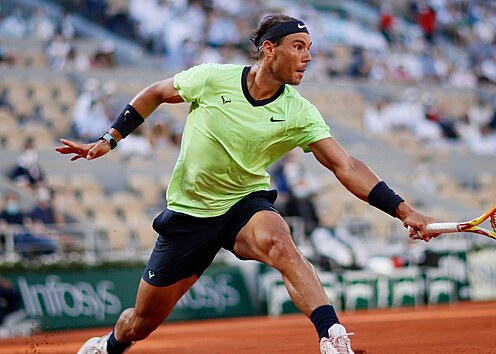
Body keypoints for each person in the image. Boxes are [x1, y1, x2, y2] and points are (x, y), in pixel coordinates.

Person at [56, 14, 438, 354]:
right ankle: (108, 346)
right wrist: (109, 138)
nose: (308, 56)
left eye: (310, 48)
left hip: (243, 203)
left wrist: (403, 210)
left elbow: (346, 165)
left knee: (281, 242)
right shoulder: (211, 78)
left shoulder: (298, 111)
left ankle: (334, 337)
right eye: (299, 47)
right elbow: (155, 93)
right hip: (189, 216)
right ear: (269, 50)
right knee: (141, 323)